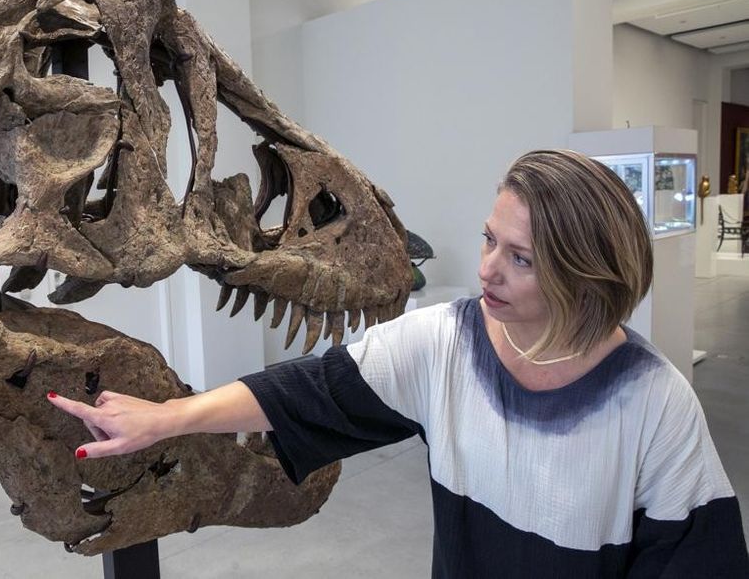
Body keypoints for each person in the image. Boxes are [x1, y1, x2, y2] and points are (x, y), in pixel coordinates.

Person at [48, 149, 749, 577]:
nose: (487, 270)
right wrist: (170, 418)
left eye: (521, 258)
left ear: (587, 274)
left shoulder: (655, 403)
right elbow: (311, 390)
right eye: (488, 241)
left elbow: (695, 561)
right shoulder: (446, 342)